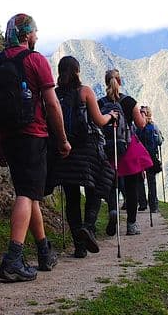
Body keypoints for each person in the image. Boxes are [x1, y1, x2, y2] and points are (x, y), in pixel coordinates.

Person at [0, 14, 70, 281]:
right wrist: (62, 139)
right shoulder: (36, 60)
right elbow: (52, 104)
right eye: (35, 32)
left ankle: (44, 251)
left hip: (7, 137)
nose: (37, 37)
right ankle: (13, 259)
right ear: (26, 35)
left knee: (30, 193)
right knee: (26, 194)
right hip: (32, 135)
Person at [47, 56, 119, 257]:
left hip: (64, 150)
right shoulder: (85, 91)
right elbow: (98, 120)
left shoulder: (54, 94)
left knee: (71, 198)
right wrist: (111, 116)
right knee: (97, 186)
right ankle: (88, 226)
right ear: (77, 71)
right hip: (87, 150)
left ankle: (79, 247)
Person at [97, 69, 147, 236]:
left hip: (108, 149)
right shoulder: (129, 102)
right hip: (128, 148)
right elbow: (141, 125)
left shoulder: (100, 103)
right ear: (119, 81)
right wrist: (143, 115)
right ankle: (131, 225)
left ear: (106, 82)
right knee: (132, 187)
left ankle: (113, 210)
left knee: (111, 184)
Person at [135, 105, 164, 215]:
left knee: (140, 180)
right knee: (151, 181)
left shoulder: (137, 127)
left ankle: (142, 204)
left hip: (139, 156)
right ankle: (153, 206)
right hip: (151, 156)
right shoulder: (154, 126)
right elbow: (159, 141)